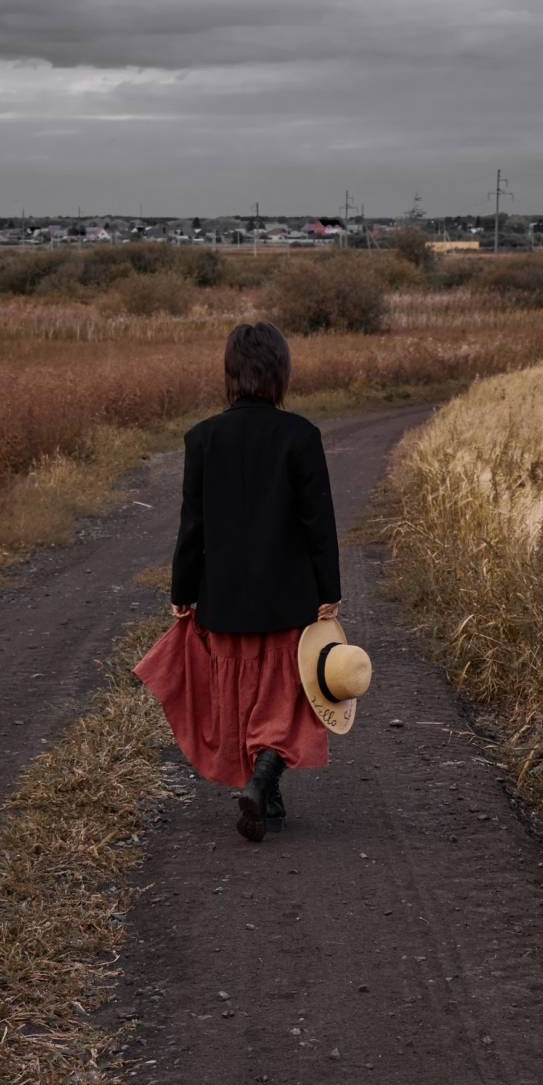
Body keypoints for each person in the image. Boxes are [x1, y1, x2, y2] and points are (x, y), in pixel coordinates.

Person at [133, 320, 341, 842]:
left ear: (230, 374)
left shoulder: (202, 439)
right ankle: (264, 782)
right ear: (280, 374)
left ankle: (262, 793)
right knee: (289, 697)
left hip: (223, 599)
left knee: (242, 698)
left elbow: (192, 526)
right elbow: (320, 522)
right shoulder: (302, 436)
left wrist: (182, 592)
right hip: (287, 599)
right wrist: (328, 592)